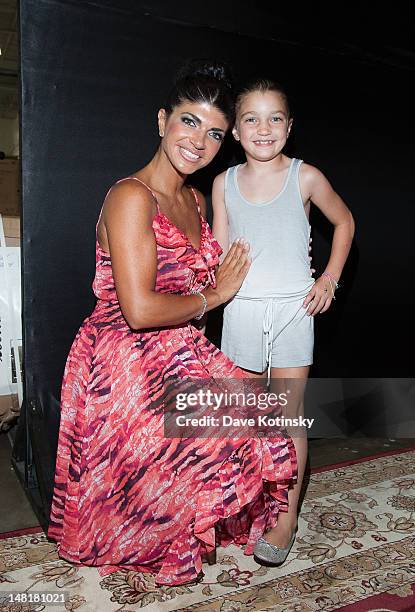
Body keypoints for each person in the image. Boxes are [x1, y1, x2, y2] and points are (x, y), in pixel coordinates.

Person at [47, 63, 297, 586]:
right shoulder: (130, 196)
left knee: (259, 421)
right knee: (203, 444)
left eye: (213, 133)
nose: (198, 141)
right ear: (161, 121)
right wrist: (216, 294)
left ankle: (182, 520)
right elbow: (138, 309)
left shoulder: (194, 199)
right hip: (120, 361)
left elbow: (188, 301)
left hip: (176, 348)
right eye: (188, 121)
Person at [212, 78, 355, 566]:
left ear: (289, 127)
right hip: (242, 311)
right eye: (251, 117)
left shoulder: (306, 177)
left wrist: (329, 278)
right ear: (234, 130)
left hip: (295, 310)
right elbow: (217, 252)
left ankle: (286, 515)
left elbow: (345, 222)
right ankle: (246, 502)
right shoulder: (222, 183)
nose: (263, 127)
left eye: (275, 117)